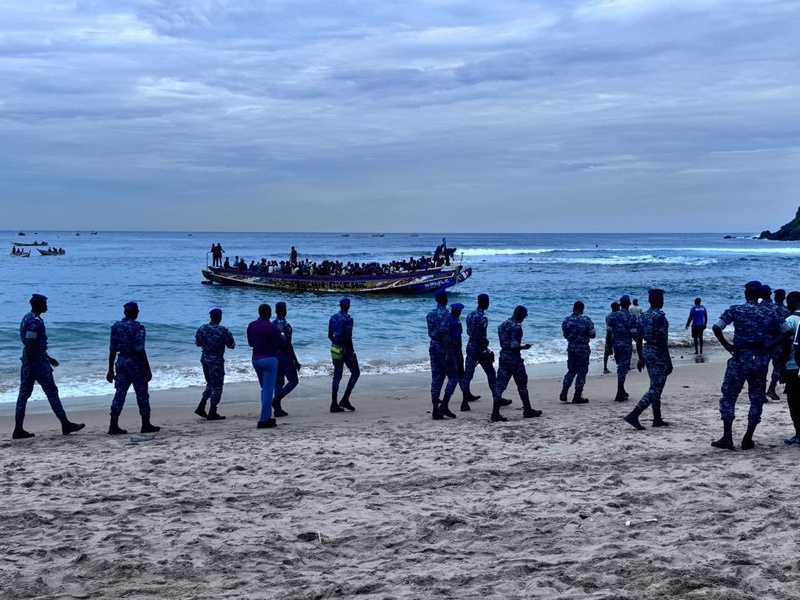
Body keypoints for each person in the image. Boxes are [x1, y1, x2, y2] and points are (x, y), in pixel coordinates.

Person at [710, 281, 789, 450]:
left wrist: (726, 345)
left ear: (746, 295)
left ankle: (727, 437)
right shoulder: (770, 312)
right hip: (760, 359)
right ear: (760, 295)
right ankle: (747, 438)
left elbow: (716, 327)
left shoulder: (736, 310)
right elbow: (786, 331)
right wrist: (771, 345)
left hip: (740, 357)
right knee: (756, 398)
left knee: (729, 396)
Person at [12, 294, 85, 439]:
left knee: (23, 395)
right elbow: (30, 343)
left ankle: (18, 429)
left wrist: (47, 358)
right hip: (36, 361)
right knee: (51, 391)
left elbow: (30, 344)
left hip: (31, 359)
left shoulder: (27, 317)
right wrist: (36, 363)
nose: (47, 306)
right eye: (45, 303)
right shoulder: (35, 320)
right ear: (38, 305)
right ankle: (65, 424)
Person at [107, 301, 160, 435]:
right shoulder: (138, 327)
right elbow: (140, 349)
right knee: (142, 395)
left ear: (125, 313)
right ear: (135, 312)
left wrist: (110, 369)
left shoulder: (115, 327)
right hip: (136, 364)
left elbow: (112, 349)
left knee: (119, 394)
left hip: (121, 362)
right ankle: (145, 424)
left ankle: (113, 425)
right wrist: (148, 368)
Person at [623, 289, 672, 430]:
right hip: (657, 351)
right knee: (656, 388)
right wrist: (668, 360)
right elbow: (662, 339)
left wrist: (641, 356)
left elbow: (638, 337)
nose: (663, 301)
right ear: (658, 300)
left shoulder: (643, 316)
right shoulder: (659, 316)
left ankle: (657, 418)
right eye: (662, 299)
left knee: (654, 384)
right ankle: (634, 414)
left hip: (647, 349)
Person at [462, 294, 511, 421]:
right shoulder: (483, 318)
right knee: (491, 373)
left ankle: (464, 400)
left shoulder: (469, 315)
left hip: (470, 345)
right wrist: (485, 343)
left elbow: (469, 332)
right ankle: (497, 397)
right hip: (479, 348)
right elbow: (481, 334)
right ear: (485, 303)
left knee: (468, 374)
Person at [495, 306, 542, 420]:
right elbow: (514, 346)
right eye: (524, 316)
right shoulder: (516, 328)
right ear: (520, 314)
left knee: (500, 385)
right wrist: (524, 347)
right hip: (514, 360)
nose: (524, 319)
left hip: (503, 357)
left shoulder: (503, 325)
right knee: (522, 385)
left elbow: (506, 343)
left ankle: (495, 412)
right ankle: (528, 410)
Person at [194, 308, 235, 420]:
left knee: (210, 383)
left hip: (205, 358)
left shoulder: (202, 328)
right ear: (220, 318)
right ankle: (212, 411)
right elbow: (231, 345)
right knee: (217, 385)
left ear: (210, 317)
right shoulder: (223, 330)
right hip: (216, 360)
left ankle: (201, 406)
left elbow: (197, 343)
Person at [247, 304, 284, 429]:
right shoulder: (272, 327)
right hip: (269, 358)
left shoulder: (251, 325)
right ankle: (263, 420)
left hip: (256, 358)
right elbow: (281, 343)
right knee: (268, 389)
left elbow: (250, 343)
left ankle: (267, 416)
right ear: (269, 314)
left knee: (264, 389)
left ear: (259, 313)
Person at [427, 290, 459, 419]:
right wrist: (448, 352)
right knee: (453, 376)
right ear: (445, 300)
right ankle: (444, 405)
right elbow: (445, 334)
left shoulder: (430, 315)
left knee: (436, 377)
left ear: (436, 300)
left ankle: (435, 410)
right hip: (443, 346)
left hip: (433, 345)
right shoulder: (446, 315)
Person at [559, 301, 596, 404]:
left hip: (571, 347)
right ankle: (577, 396)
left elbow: (565, 335)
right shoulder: (586, 320)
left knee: (571, 370)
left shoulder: (566, 320)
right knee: (581, 372)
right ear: (582, 309)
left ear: (573, 308)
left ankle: (564, 391)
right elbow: (592, 334)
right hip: (582, 348)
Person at [328, 298, 360, 412]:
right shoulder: (348, 319)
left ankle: (334, 403)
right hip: (346, 349)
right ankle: (345, 398)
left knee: (337, 375)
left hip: (335, 347)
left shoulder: (332, 318)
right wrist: (350, 351)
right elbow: (348, 336)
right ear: (348, 306)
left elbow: (329, 335)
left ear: (340, 305)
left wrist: (336, 344)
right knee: (356, 372)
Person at [608, 295, 641, 402]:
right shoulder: (631, 317)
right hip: (626, 343)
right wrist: (640, 345)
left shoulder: (613, 316)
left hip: (615, 343)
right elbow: (633, 334)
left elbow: (609, 332)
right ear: (629, 304)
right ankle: (619, 391)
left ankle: (621, 390)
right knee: (623, 368)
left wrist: (608, 346)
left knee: (620, 367)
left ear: (621, 304)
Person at [272, 301, 301, 417]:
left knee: (278, 382)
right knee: (294, 381)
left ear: (275, 311)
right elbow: (288, 345)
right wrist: (296, 360)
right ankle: (276, 400)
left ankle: (277, 409)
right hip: (285, 356)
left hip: (274, 356)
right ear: (285, 311)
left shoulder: (271, 325)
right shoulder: (287, 326)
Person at [779, 291, 800, 445]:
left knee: (794, 402)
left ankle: (799, 434)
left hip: (794, 366)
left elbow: (785, 346)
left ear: (791, 303)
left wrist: (781, 368)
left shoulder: (790, 320)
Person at [767, 288, 790, 400]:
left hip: (766, 342)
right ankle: (771, 388)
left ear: (774, 297)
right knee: (778, 367)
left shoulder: (769, 309)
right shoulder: (787, 311)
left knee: (763, 367)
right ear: (784, 298)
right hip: (780, 342)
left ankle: (761, 392)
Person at [603, 302, 620, 374]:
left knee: (606, 352)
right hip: (616, 335)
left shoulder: (608, 316)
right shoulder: (619, 316)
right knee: (619, 351)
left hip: (609, 334)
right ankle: (620, 365)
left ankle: (605, 367)